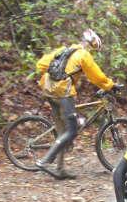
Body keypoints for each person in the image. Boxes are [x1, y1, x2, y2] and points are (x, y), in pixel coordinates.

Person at [35, 28, 120, 179]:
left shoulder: (64, 50)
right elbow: (97, 77)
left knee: (63, 132)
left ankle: (60, 169)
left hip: (49, 90)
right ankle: (45, 161)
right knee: (72, 130)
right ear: (91, 45)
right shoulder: (83, 55)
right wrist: (110, 85)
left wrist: (53, 75)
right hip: (63, 93)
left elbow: (40, 65)